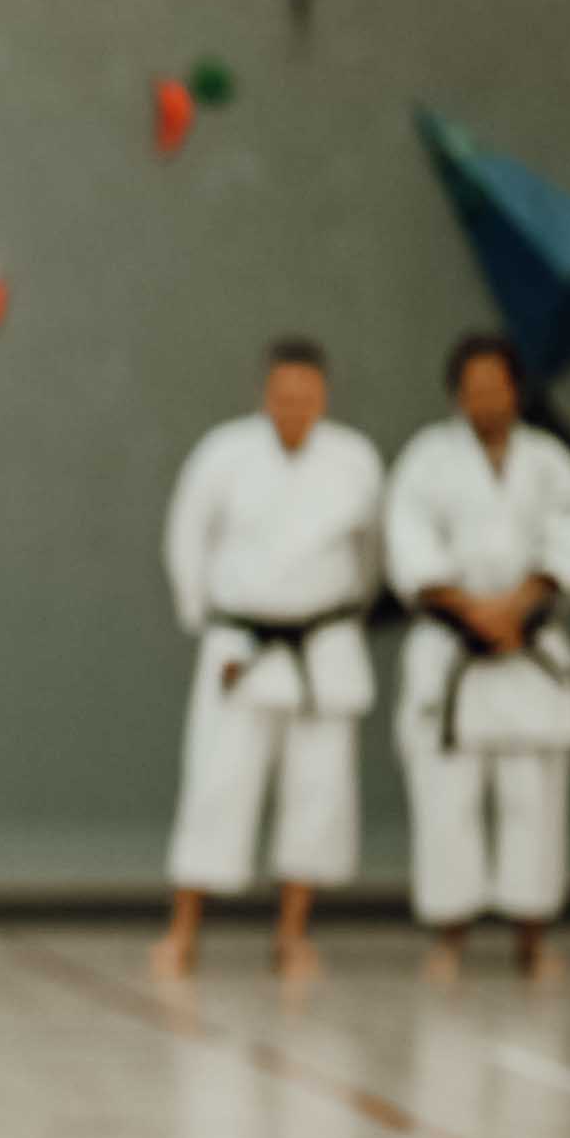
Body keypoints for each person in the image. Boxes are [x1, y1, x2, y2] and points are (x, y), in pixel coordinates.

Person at [156, 338, 383, 982]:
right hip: (242, 644)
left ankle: (292, 934)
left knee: (317, 795)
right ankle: (183, 930)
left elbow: (372, 561)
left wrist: (340, 614)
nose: (295, 408)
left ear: (324, 396)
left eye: (307, 398)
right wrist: (205, 616)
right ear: (265, 394)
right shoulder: (224, 454)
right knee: (216, 784)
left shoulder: (353, 460)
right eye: (284, 397)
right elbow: (187, 537)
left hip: (322, 644)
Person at [386, 333, 570, 982]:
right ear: (458, 392)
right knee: (448, 801)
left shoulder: (550, 461)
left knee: (532, 800)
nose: (487, 397)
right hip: (456, 643)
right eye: (474, 386)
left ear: (516, 389)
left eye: (498, 385)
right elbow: (409, 542)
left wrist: (526, 600)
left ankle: (531, 939)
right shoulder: (427, 459)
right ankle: (450, 937)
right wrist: (472, 609)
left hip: (526, 642)